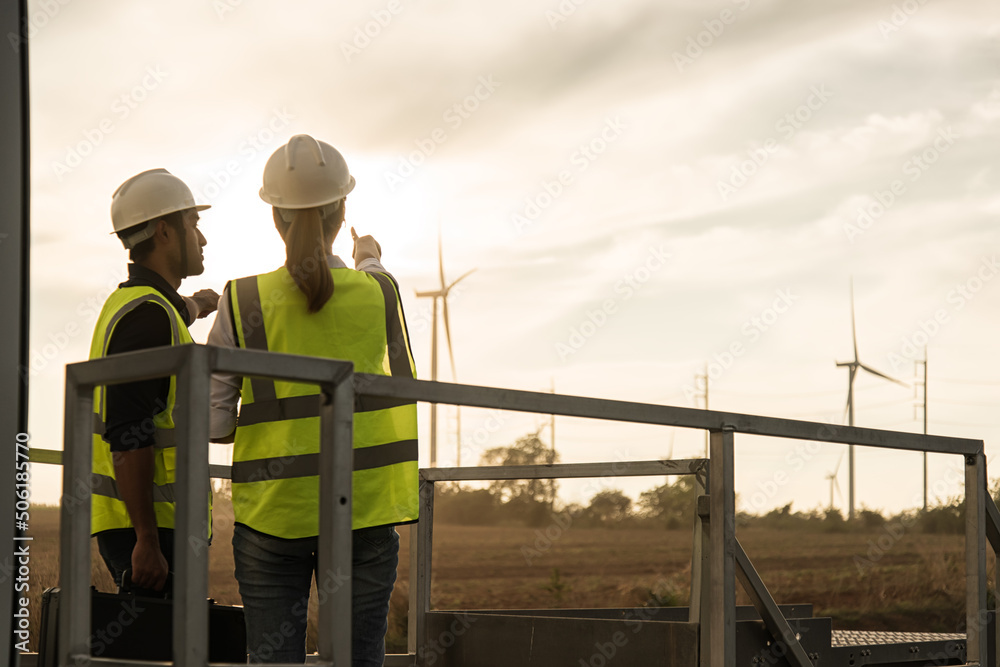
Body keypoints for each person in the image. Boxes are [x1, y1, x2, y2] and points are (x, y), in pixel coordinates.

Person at [208, 134, 419, 665]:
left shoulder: (242, 298)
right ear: (341, 210)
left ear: (275, 217)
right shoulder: (380, 292)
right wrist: (369, 258)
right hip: (365, 508)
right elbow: (404, 381)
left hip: (272, 511)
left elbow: (214, 424)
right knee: (357, 658)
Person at [90, 168, 219, 596]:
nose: (202, 239)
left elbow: (173, 311)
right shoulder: (147, 317)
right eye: (194, 225)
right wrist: (146, 539)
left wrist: (200, 304)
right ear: (165, 231)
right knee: (159, 653)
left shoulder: (142, 305)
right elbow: (130, 432)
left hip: (147, 522)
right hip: (148, 528)